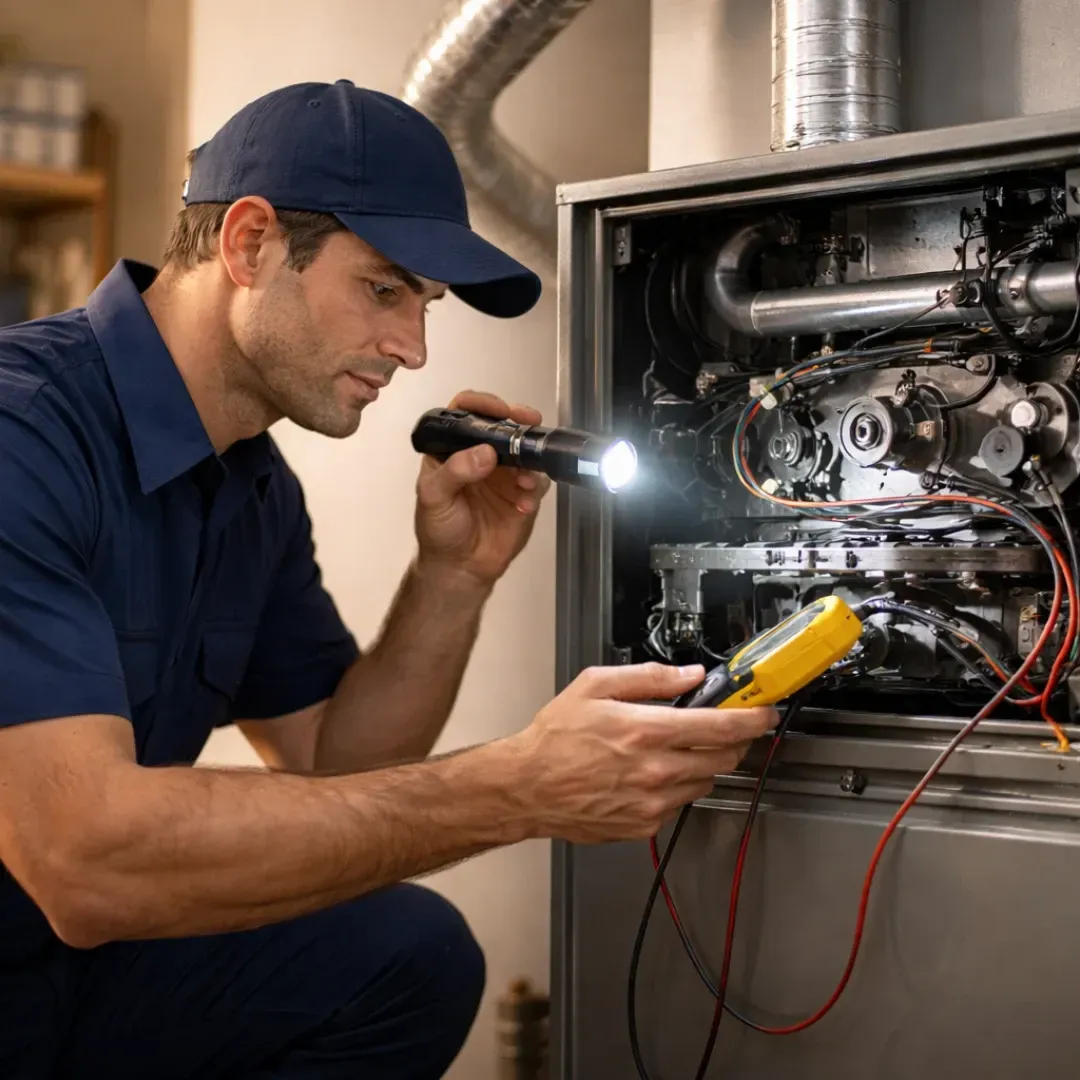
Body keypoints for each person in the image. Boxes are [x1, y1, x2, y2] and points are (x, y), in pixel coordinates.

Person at [0, 79, 775, 1079]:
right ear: (248, 244)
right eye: (384, 289)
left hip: (66, 969)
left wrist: (454, 573)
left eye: (424, 304)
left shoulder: (252, 487)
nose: (411, 350)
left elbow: (334, 761)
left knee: (406, 956)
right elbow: (81, 858)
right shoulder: (23, 435)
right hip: (35, 945)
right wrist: (516, 788)